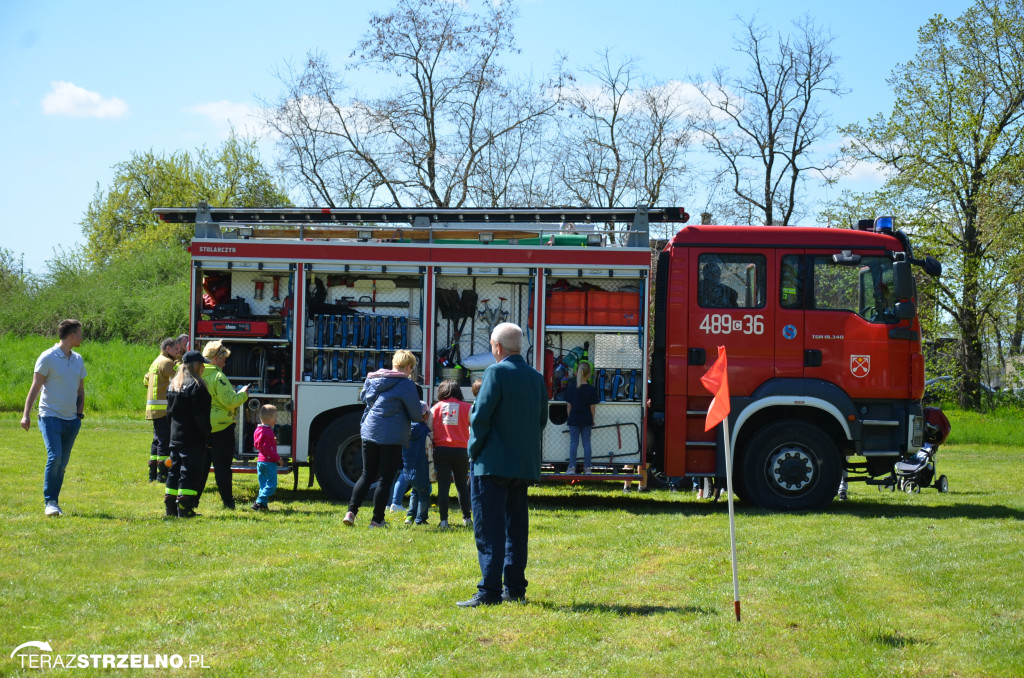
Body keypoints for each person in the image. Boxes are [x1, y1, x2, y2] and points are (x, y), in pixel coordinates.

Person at [458, 323, 547, 607]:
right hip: (523, 465)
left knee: (489, 530)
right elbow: (541, 420)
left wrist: (473, 451)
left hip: (492, 464)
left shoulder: (494, 372)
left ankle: (489, 591)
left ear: (497, 347)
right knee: (516, 530)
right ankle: (515, 588)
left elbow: (480, 418)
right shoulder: (536, 377)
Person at [343, 349, 421, 528]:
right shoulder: (406, 384)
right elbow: (416, 415)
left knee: (367, 474)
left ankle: (351, 512)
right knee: (386, 479)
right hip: (392, 435)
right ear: (408, 366)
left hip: (369, 431)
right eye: (412, 368)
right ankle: (377, 520)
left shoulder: (375, 378)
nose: (411, 372)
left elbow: (365, 398)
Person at [21, 319, 87, 517]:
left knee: (62, 464)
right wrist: (26, 414)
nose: (82, 337)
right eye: (80, 333)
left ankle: (55, 502)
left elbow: (80, 389)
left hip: (71, 419)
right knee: (55, 457)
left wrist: (78, 415)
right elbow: (35, 387)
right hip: (50, 416)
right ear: (72, 335)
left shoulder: (78, 359)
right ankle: (50, 502)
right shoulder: (48, 357)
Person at [201, 340, 249, 509]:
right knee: (222, 468)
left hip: (202, 427)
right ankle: (228, 502)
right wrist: (243, 394)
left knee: (201, 467)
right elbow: (229, 401)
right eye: (223, 359)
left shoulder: (197, 374)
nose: (225, 363)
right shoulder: (218, 376)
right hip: (221, 427)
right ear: (215, 358)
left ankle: (192, 500)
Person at [165, 351, 213, 518]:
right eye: (202, 365)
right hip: (192, 437)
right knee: (190, 471)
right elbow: (201, 417)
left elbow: (169, 413)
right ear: (196, 365)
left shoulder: (173, 385)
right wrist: (208, 436)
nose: (203, 368)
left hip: (175, 435)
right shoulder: (197, 387)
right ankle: (185, 507)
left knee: (174, 469)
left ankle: (170, 506)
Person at [430, 379, 473, 528]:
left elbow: (429, 429)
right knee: (462, 485)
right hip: (461, 451)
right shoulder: (468, 407)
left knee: (443, 486)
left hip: (441, 451)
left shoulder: (435, 408)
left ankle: (443, 521)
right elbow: (474, 427)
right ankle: (467, 518)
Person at [144, 337, 181, 482]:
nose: (178, 352)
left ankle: (152, 473)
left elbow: (145, 380)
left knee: (157, 441)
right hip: (163, 409)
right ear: (168, 349)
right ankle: (162, 474)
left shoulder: (156, 361)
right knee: (164, 442)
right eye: (176, 349)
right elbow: (179, 378)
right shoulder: (167, 363)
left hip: (153, 408)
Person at [565, 362, 599, 474]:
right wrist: (592, 418)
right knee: (586, 443)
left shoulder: (571, 388)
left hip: (574, 418)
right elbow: (592, 407)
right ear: (589, 374)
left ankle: (571, 468)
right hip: (586, 419)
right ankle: (588, 468)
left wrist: (570, 417)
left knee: (573, 442)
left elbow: (569, 405)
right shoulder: (591, 389)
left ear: (576, 373)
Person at [403, 402, 432, 525]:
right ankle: (421, 518)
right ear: (425, 416)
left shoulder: (406, 429)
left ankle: (410, 517)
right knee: (424, 493)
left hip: (408, 467)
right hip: (422, 467)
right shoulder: (425, 430)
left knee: (414, 491)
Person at [251, 404, 283, 511]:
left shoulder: (258, 430)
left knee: (263, 484)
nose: (276, 420)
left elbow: (259, 444)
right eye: (275, 418)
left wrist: (271, 440)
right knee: (271, 486)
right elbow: (268, 449)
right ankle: (259, 501)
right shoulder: (268, 431)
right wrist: (278, 458)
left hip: (260, 461)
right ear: (270, 419)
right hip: (269, 462)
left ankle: (262, 506)